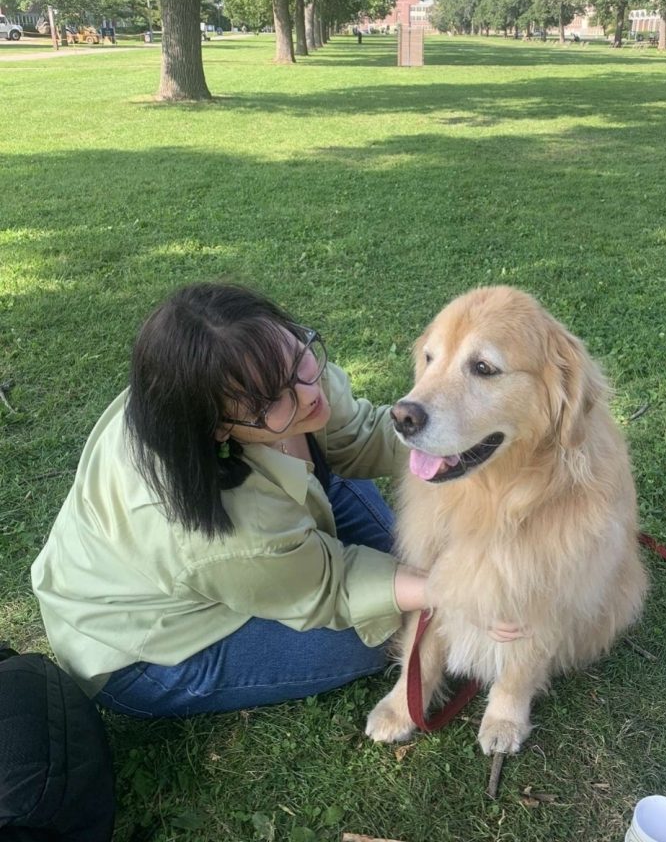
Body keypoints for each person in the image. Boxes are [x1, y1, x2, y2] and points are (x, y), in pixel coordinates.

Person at [31, 283, 430, 719]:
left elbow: (356, 435)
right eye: (273, 397)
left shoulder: (255, 370)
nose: (309, 392)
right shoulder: (227, 526)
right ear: (218, 428)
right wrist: (451, 591)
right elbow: (332, 590)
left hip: (256, 548)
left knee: (418, 578)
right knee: (408, 630)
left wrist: (464, 441)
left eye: (298, 354)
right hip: (147, 651)